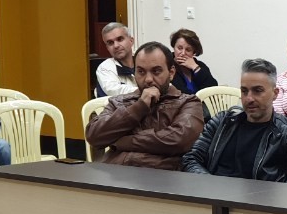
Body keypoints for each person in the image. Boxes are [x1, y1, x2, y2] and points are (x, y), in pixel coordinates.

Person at [183, 59, 287, 180]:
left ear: (275, 94)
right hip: (214, 196)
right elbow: (191, 159)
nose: (249, 98)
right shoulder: (222, 123)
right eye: (244, 91)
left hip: (262, 199)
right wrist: (210, 185)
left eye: (257, 91)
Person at [85, 42, 204, 170]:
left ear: (171, 73)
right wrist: (139, 107)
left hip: (160, 177)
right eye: (141, 71)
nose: (148, 79)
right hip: (114, 175)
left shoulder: (188, 103)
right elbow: (94, 136)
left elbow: (180, 141)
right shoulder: (119, 101)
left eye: (156, 71)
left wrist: (124, 142)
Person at [169, 28, 218, 94]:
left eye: (188, 50)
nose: (183, 53)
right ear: (174, 47)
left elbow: (213, 89)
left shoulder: (199, 65)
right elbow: (181, 93)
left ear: (193, 52)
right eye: (179, 48)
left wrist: (195, 67)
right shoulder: (168, 66)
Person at [95, 22, 137, 96]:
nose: (116, 46)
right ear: (107, 48)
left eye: (120, 39)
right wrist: (143, 91)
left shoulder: (144, 59)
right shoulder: (105, 68)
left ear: (131, 41)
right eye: (110, 43)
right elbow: (114, 91)